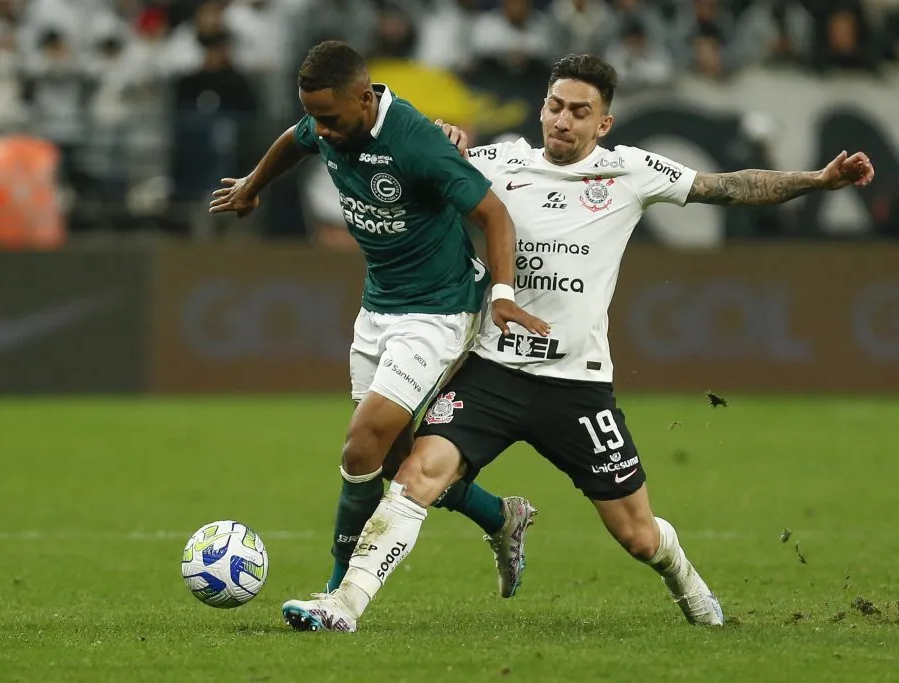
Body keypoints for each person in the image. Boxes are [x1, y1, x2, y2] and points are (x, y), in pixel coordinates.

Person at [281, 53, 875, 632]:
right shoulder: (498, 161)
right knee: (417, 473)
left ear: (604, 123)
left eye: (579, 111)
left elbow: (729, 186)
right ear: (542, 108)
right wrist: (446, 141)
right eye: (555, 106)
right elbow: (430, 171)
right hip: (492, 371)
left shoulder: (631, 172)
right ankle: (348, 605)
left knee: (638, 537)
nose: (563, 120)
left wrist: (817, 180)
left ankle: (691, 588)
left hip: (578, 386)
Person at [209, 40, 549, 603]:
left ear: (365, 99)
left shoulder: (415, 141)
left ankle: (338, 590)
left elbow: (493, 214)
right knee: (395, 460)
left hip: (439, 311)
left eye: (329, 119)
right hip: (379, 309)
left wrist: (503, 293)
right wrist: (252, 184)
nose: (320, 130)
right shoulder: (327, 120)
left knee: (361, 444)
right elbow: (292, 141)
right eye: (312, 116)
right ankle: (502, 515)